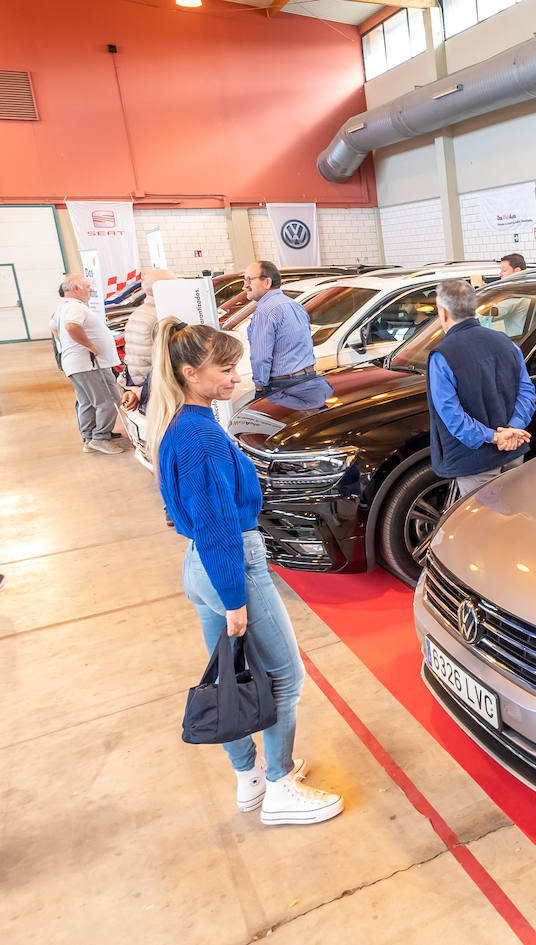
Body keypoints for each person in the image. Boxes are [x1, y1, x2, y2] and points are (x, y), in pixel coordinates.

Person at [146, 318, 342, 826]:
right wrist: (235, 598)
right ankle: (279, 786)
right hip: (229, 564)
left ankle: (250, 776)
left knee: (230, 678)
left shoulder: (180, 423)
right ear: (190, 372)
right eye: (226, 368)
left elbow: (183, 512)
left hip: (200, 566)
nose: (237, 377)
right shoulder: (200, 435)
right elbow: (215, 526)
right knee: (285, 678)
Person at [426, 279, 534, 503]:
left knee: (484, 528)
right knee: (517, 515)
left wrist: (494, 437)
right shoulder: (506, 343)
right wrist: (512, 430)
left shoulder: (442, 356)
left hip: (474, 462)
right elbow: (526, 392)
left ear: (443, 313)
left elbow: (452, 417)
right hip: (514, 450)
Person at [50, 274, 124, 454]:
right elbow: (71, 327)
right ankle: (100, 437)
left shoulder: (63, 307)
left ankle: (90, 437)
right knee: (109, 399)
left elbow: (54, 327)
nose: (90, 289)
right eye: (86, 286)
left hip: (78, 364)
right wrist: (89, 345)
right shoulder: (75, 307)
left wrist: (68, 346)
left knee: (88, 402)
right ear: (75, 289)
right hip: (90, 364)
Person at [244, 260, 315, 398]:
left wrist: (260, 387)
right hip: (309, 379)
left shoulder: (265, 311)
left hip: (283, 386)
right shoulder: (294, 305)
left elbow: (261, 356)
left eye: (249, 280)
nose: (245, 285)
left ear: (267, 283)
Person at [119, 268, 176, 410]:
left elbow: (131, 358)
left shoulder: (139, 314)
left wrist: (133, 389)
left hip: (142, 388)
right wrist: (143, 391)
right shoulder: (161, 318)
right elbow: (166, 361)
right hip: (157, 391)